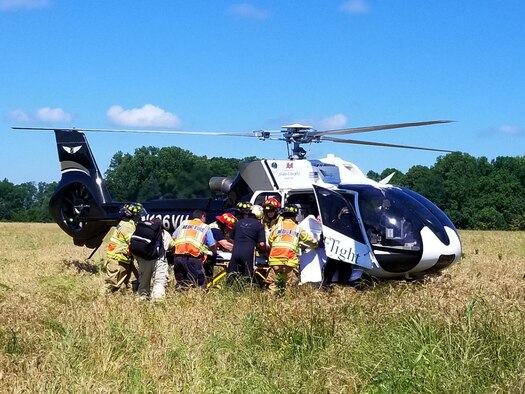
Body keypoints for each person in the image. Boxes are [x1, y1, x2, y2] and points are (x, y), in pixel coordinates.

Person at [267, 204, 318, 294]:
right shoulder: (297, 228)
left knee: (273, 285)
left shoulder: (276, 227)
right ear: (295, 216)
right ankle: (286, 304)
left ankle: (271, 303)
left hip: (275, 259)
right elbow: (309, 240)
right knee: (289, 285)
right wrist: (316, 244)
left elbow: (270, 240)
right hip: (289, 260)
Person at [103, 202, 144, 293]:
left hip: (123, 259)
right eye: (138, 214)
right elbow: (133, 242)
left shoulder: (125, 223)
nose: (140, 216)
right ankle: (99, 301)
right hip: (118, 260)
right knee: (111, 285)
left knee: (128, 285)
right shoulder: (128, 226)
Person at [172, 210, 216, 290]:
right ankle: (198, 300)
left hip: (178, 256)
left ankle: (182, 300)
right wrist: (213, 253)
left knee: (182, 284)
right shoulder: (205, 227)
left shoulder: (184, 223)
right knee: (198, 284)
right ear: (202, 216)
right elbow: (212, 244)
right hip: (193, 257)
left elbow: (173, 237)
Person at [133, 220, 174, 301]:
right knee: (159, 280)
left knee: (143, 281)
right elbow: (171, 245)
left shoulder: (142, 231)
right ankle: (157, 300)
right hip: (158, 260)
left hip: (143, 259)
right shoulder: (164, 233)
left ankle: (142, 297)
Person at [228, 202, 266, 280]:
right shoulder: (259, 226)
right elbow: (262, 244)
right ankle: (245, 291)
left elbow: (231, 238)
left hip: (235, 252)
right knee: (247, 277)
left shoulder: (238, 223)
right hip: (248, 254)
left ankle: (228, 290)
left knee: (232, 275)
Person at [205, 212, 237, 279]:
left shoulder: (217, 228)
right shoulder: (214, 229)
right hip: (205, 254)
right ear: (224, 225)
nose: (229, 231)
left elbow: (227, 239)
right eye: (228, 229)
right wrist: (239, 248)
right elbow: (225, 244)